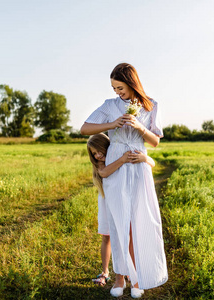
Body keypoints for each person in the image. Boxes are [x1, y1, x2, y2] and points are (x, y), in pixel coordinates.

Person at [81, 63, 168, 298]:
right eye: (114, 88)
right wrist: (112, 124)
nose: (117, 92)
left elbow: (155, 142)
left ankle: (138, 278)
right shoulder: (110, 106)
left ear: (131, 83)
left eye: (119, 87)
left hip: (139, 166)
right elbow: (84, 128)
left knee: (139, 221)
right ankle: (119, 278)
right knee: (119, 223)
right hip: (117, 164)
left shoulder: (151, 105)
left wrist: (139, 126)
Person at [87, 133, 155, 287]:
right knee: (107, 236)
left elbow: (152, 163)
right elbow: (104, 173)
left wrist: (145, 158)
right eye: (94, 153)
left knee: (128, 235)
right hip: (107, 202)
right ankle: (105, 272)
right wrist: (122, 159)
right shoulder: (103, 164)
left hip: (122, 199)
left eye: (99, 151)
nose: (97, 155)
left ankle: (130, 271)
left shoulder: (117, 154)